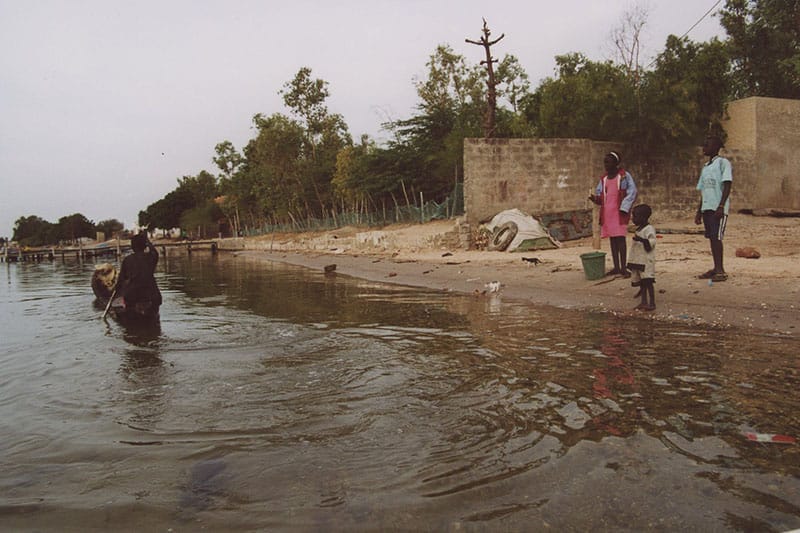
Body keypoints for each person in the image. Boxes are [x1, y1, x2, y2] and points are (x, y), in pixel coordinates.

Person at [588, 151, 637, 277]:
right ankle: (616, 267)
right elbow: (601, 197)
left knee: (620, 239)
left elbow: (632, 192)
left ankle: (623, 268)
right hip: (607, 213)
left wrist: (624, 207)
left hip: (619, 212)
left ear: (616, 163)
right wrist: (594, 198)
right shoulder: (603, 179)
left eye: (608, 162)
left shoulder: (624, 176)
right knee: (613, 240)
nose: (606, 165)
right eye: (605, 162)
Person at [694, 135, 732, 282]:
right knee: (711, 237)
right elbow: (703, 190)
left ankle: (721, 270)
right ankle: (716, 268)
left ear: (716, 147)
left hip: (718, 208)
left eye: (707, 145)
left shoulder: (723, 163)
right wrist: (699, 211)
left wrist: (721, 206)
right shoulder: (705, 167)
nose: (704, 147)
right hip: (707, 208)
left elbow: (727, 185)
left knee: (717, 238)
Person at [116, 232, 162, 311]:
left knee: (125, 288)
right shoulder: (151, 257)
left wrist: (117, 290)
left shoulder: (127, 260)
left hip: (132, 297)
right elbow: (154, 251)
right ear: (145, 246)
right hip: (152, 296)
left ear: (132, 247)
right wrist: (147, 241)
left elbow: (121, 280)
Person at [628, 204, 656, 311]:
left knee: (648, 282)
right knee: (642, 283)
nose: (633, 219)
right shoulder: (639, 229)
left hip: (646, 262)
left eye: (635, 216)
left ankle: (652, 303)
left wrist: (642, 240)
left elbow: (652, 243)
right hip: (639, 261)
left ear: (643, 217)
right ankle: (644, 302)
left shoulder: (649, 229)